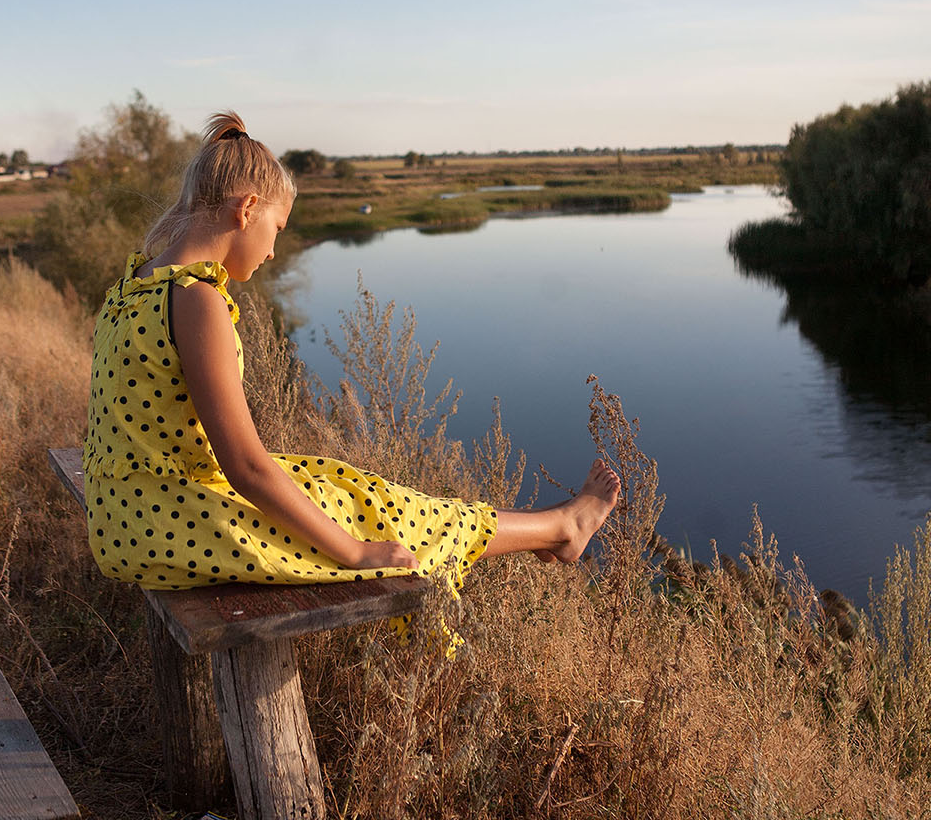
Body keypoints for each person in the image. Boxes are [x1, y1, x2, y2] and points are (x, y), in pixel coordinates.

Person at [82, 110, 620, 610]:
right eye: (277, 229)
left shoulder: (135, 284)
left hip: (123, 514)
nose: (272, 250)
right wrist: (355, 554)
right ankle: (562, 528)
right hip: (168, 521)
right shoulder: (197, 301)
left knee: (347, 487)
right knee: (381, 518)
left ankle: (555, 528)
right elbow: (244, 468)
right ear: (246, 209)